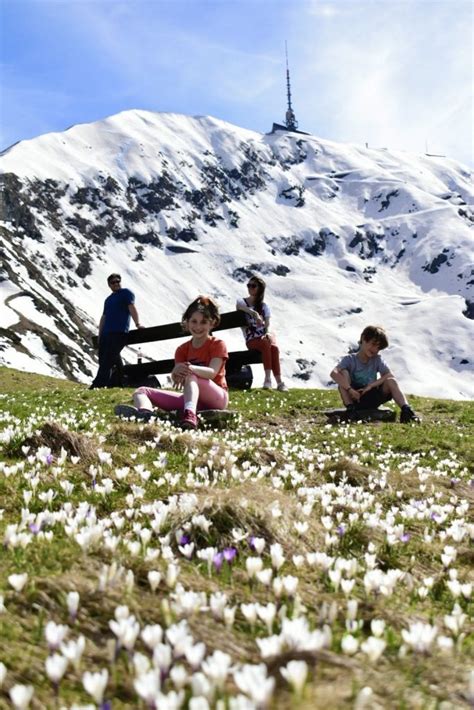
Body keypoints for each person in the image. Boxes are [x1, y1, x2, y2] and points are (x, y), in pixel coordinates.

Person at [115, 295, 229, 430]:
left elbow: (212, 373)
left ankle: (190, 415)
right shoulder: (182, 350)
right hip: (190, 398)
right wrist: (175, 373)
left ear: (212, 323)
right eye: (194, 321)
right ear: (187, 322)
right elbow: (178, 380)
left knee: (190, 374)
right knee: (141, 391)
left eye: (203, 322)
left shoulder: (217, 344)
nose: (198, 326)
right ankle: (146, 414)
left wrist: (189, 368)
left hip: (217, 398)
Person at [330, 325, 418, 423]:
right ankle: (351, 411)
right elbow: (334, 373)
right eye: (373, 344)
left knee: (391, 381)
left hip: (372, 395)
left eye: (378, 348)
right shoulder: (350, 359)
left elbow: (389, 375)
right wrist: (350, 389)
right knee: (343, 373)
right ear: (363, 339)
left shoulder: (377, 359)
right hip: (355, 397)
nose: (375, 350)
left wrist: (371, 385)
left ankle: (407, 411)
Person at [90, 273, 143, 389]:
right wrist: (100, 334)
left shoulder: (126, 293)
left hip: (119, 332)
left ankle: (98, 384)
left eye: (118, 281)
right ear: (109, 285)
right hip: (106, 334)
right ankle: (119, 383)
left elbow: (131, 308)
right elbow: (104, 317)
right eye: (113, 282)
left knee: (107, 359)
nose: (116, 284)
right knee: (105, 358)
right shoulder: (108, 300)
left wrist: (137, 324)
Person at [236, 275, 287, 391]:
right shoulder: (242, 302)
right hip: (251, 339)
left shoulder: (264, 306)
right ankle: (268, 379)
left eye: (253, 286)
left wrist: (267, 332)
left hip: (263, 337)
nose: (250, 288)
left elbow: (267, 323)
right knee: (265, 344)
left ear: (260, 289)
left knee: (274, 348)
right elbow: (240, 307)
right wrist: (255, 314)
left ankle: (279, 382)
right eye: (249, 285)